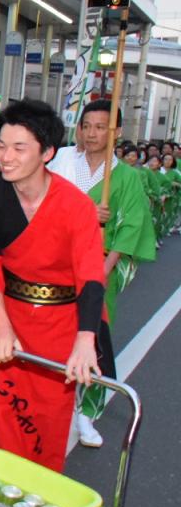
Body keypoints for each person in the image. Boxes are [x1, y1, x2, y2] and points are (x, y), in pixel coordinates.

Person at [0, 99, 109, 473]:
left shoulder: (76, 205)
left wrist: (86, 339)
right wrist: (1, 326)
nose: (5, 157)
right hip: (6, 313)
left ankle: (38, 496)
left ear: (47, 152)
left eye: (18, 148)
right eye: (1, 145)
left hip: (59, 327)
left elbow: (90, 272)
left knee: (46, 422)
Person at [50, 99, 155, 448]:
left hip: (96, 266)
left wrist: (103, 270)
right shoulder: (63, 163)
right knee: (52, 333)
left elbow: (132, 226)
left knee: (93, 335)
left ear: (117, 132)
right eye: (87, 126)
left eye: (101, 127)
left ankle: (87, 412)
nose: (92, 133)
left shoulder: (126, 177)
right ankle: (53, 403)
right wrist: (84, 214)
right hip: (55, 262)